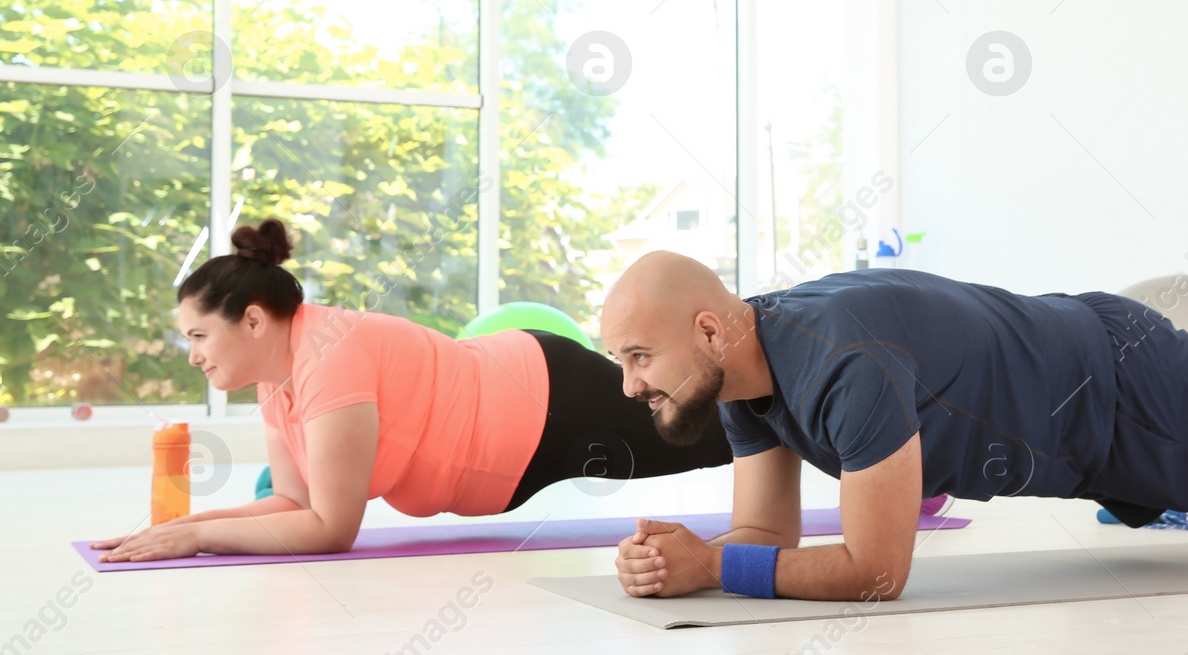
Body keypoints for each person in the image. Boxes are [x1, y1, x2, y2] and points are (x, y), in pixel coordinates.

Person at [603, 252, 1188, 602]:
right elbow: (766, 534)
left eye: (638, 356)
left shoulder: (844, 360)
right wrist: (689, 560)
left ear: (709, 328)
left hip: (1110, 362)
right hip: (1077, 441)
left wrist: (715, 565)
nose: (629, 382)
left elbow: (877, 572)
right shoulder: (738, 382)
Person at [90, 222, 731, 563]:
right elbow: (292, 499)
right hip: (521, 431)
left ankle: (803, 398)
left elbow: (328, 529)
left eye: (200, 336)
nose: (194, 356)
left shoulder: (327, 357)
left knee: (718, 435)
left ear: (253, 320)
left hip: (546, 404)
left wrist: (199, 538)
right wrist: (180, 527)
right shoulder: (274, 379)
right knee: (723, 433)